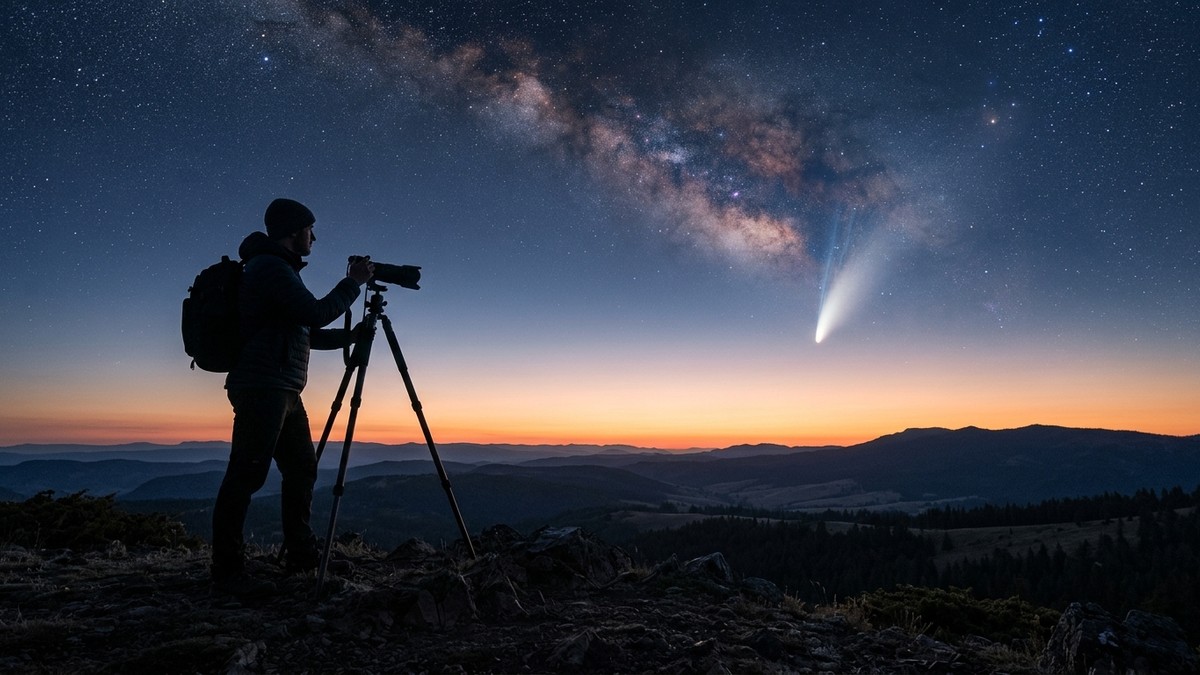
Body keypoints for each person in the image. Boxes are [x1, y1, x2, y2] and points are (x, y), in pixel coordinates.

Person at [211, 197, 374, 595]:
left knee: (301, 467)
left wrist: (350, 337)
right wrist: (353, 282)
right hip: (262, 387)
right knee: (246, 475)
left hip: (280, 386)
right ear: (292, 231)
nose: (314, 238)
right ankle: (227, 569)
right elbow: (315, 314)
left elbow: (305, 331)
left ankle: (301, 554)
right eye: (309, 230)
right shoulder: (270, 268)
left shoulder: (278, 270)